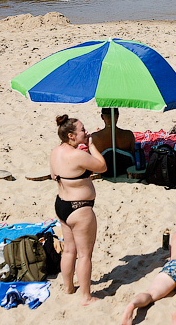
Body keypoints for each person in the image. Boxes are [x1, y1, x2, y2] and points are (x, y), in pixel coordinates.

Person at [49, 114, 107, 305]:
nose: (86, 131)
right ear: (72, 136)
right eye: (82, 130)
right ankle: (86, 296)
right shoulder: (78, 155)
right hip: (80, 208)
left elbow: (52, 175)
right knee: (84, 255)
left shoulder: (56, 152)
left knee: (69, 251)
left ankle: (68, 287)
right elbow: (102, 166)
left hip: (62, 204)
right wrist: (91, 146)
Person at [89, 107, 135, 177]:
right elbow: (135, 154)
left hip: (104, 170)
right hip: (125, 168)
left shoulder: (95, 137)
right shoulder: (128, 135)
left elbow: (89, 158)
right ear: (117, 115)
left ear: (102, 117)